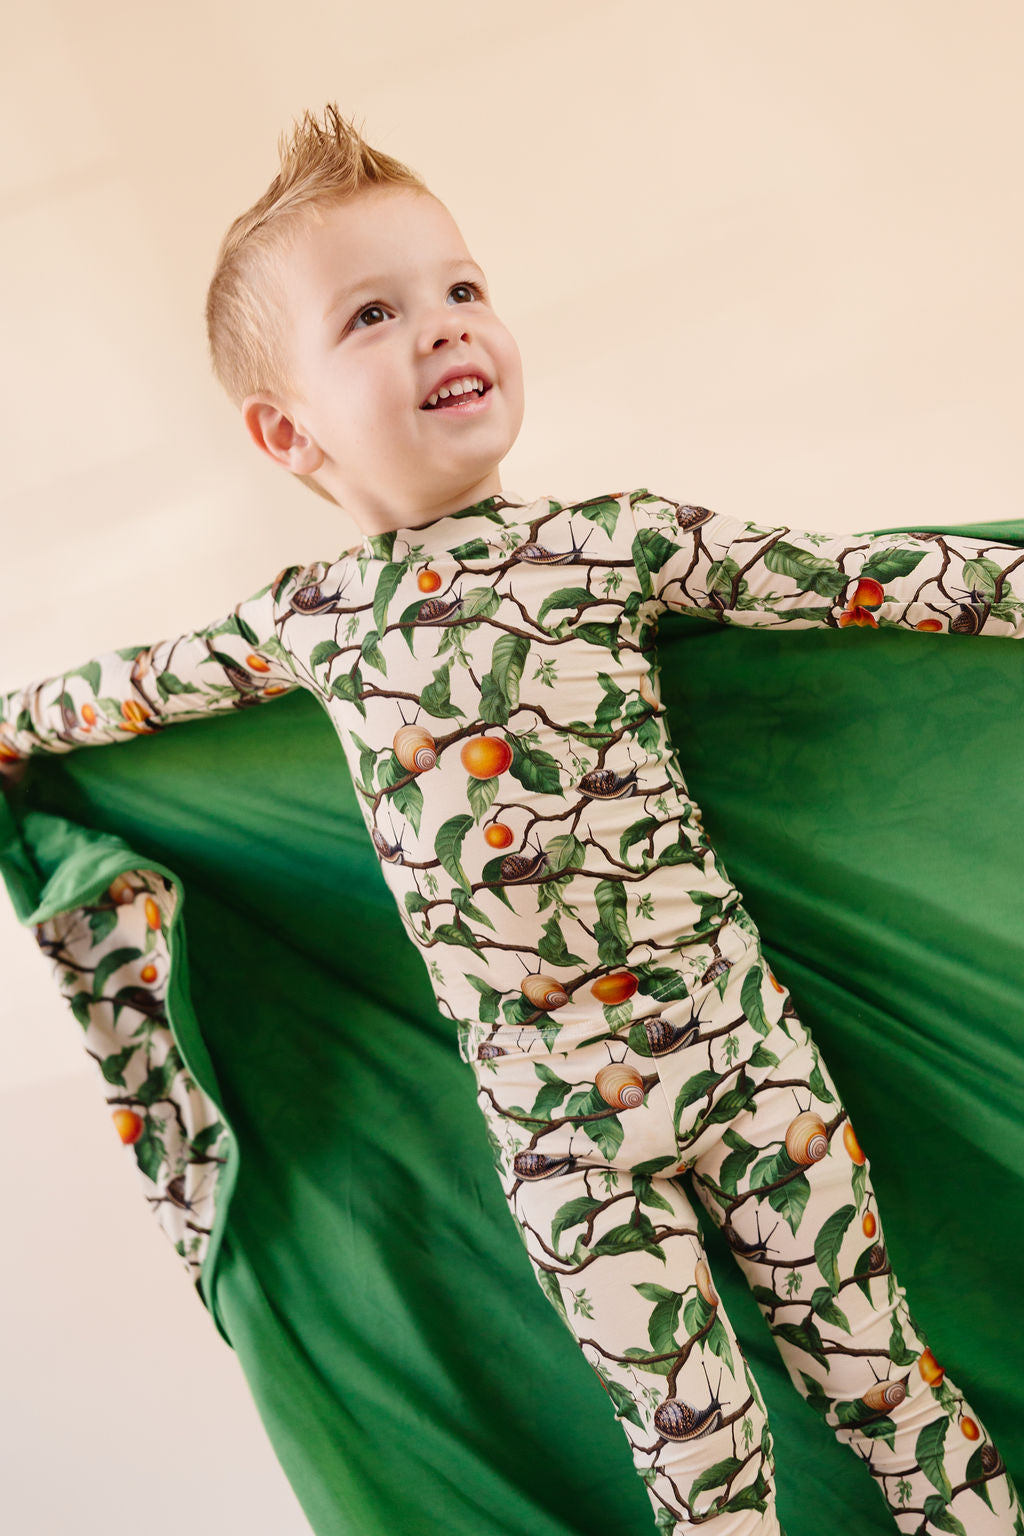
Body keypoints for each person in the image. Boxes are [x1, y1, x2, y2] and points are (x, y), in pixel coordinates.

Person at [2, 104, 1022, 1536]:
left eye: (462, 289)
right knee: (703, 1467)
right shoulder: (306, 625)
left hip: (749, 1074)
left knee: (886, 1394)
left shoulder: (611, 543)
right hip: (560, 1138)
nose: (442, 326)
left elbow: (860, 577)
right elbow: (114, 698)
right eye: (373, 313)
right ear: (284, 430)